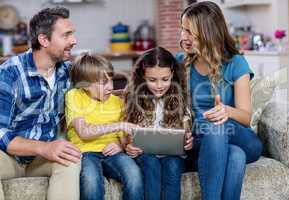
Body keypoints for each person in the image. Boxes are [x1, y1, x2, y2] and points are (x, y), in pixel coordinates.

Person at [177, 1, 263, 200]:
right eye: (182, 29)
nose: (183, 36)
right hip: (199, 141)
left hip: (240, 135)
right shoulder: (180, 62)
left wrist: (226, 111)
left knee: (216, 125)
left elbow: (245, 116)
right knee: (235, 156)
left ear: (207, 32)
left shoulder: (235, 63)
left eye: (189, 31)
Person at [0, 7, 81, 200]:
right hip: (8, 157)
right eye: (67, 35)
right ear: (44, 40)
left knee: (70, 159)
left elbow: (101, 88)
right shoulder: (10, 73)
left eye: (73, 34)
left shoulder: (68, 72)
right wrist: (43, 147)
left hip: (41, 160)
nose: (74, 41)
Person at [65, 53, 144, 200]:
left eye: (111, 80)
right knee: (91, 181)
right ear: (86, 85)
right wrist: (118, 125)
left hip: (113, 153)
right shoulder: (74, 96)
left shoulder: (117, 102)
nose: (110, 87)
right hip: (85, 152)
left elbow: (125, 138)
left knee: (134, 173)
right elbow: (84, 132)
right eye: (103, 83)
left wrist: (120, 145)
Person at [124, 47, 193, 200]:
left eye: (165, 79)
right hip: (145, 154)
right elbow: (127, 134)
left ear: (172, 75)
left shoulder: (179, 97)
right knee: (151, 164)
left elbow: (186, 130)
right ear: (143, 77)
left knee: (173, 166)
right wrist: (129, 146)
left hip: (172, 155)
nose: (159, 86)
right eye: (152, 80)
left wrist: (187, 140)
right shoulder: (133, 97)